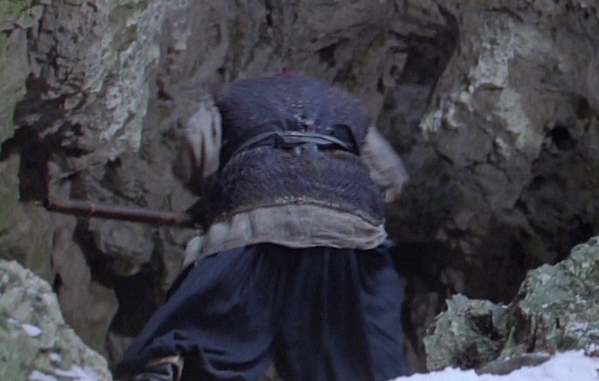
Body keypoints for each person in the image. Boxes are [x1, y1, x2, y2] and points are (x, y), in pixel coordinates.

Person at [116, 73, 409, 381]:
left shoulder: (229, 97)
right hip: (348, 230)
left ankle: (167, 361)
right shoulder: (350, 107)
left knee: (209, 322)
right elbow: (391, 178)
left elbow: (195, 153)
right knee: (358, 355)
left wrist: (215, 196)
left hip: (256, 215)